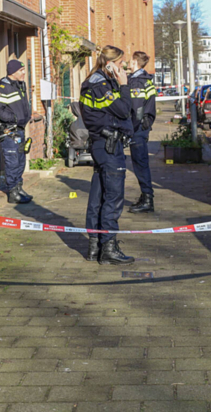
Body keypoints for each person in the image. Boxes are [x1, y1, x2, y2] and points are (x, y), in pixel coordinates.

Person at [81, 46, 135, 264]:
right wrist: (123, 85)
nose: (124, 67)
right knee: (112, 198)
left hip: (102, 145)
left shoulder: (96, 81)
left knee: (98, 197)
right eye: (121, 63)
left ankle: (95, 247)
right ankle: (109, 249)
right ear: (110, 63)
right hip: (109, 146)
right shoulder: (101, 85)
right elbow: (123, 110)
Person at [0, 59, 33, 204]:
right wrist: (14, 119)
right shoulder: (4, 87)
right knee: (12, 162)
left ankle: (19, 188)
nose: (23, 73)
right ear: (13, 72)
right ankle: (12, 192)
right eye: (21, 70)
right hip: (10, 132)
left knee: (20, 162)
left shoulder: (20, 86)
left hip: (20, 131)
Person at [127, 51, 157, 213]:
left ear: (135, 62)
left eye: (130, 60)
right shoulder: (145, 80)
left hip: (137, 128)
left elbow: (137, 108)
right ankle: (145, 196)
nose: (128, 63)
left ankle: (147, 199)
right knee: (141, 162)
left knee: (140, 163)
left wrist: (129, 129)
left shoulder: (137, 82)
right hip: (143, 126)